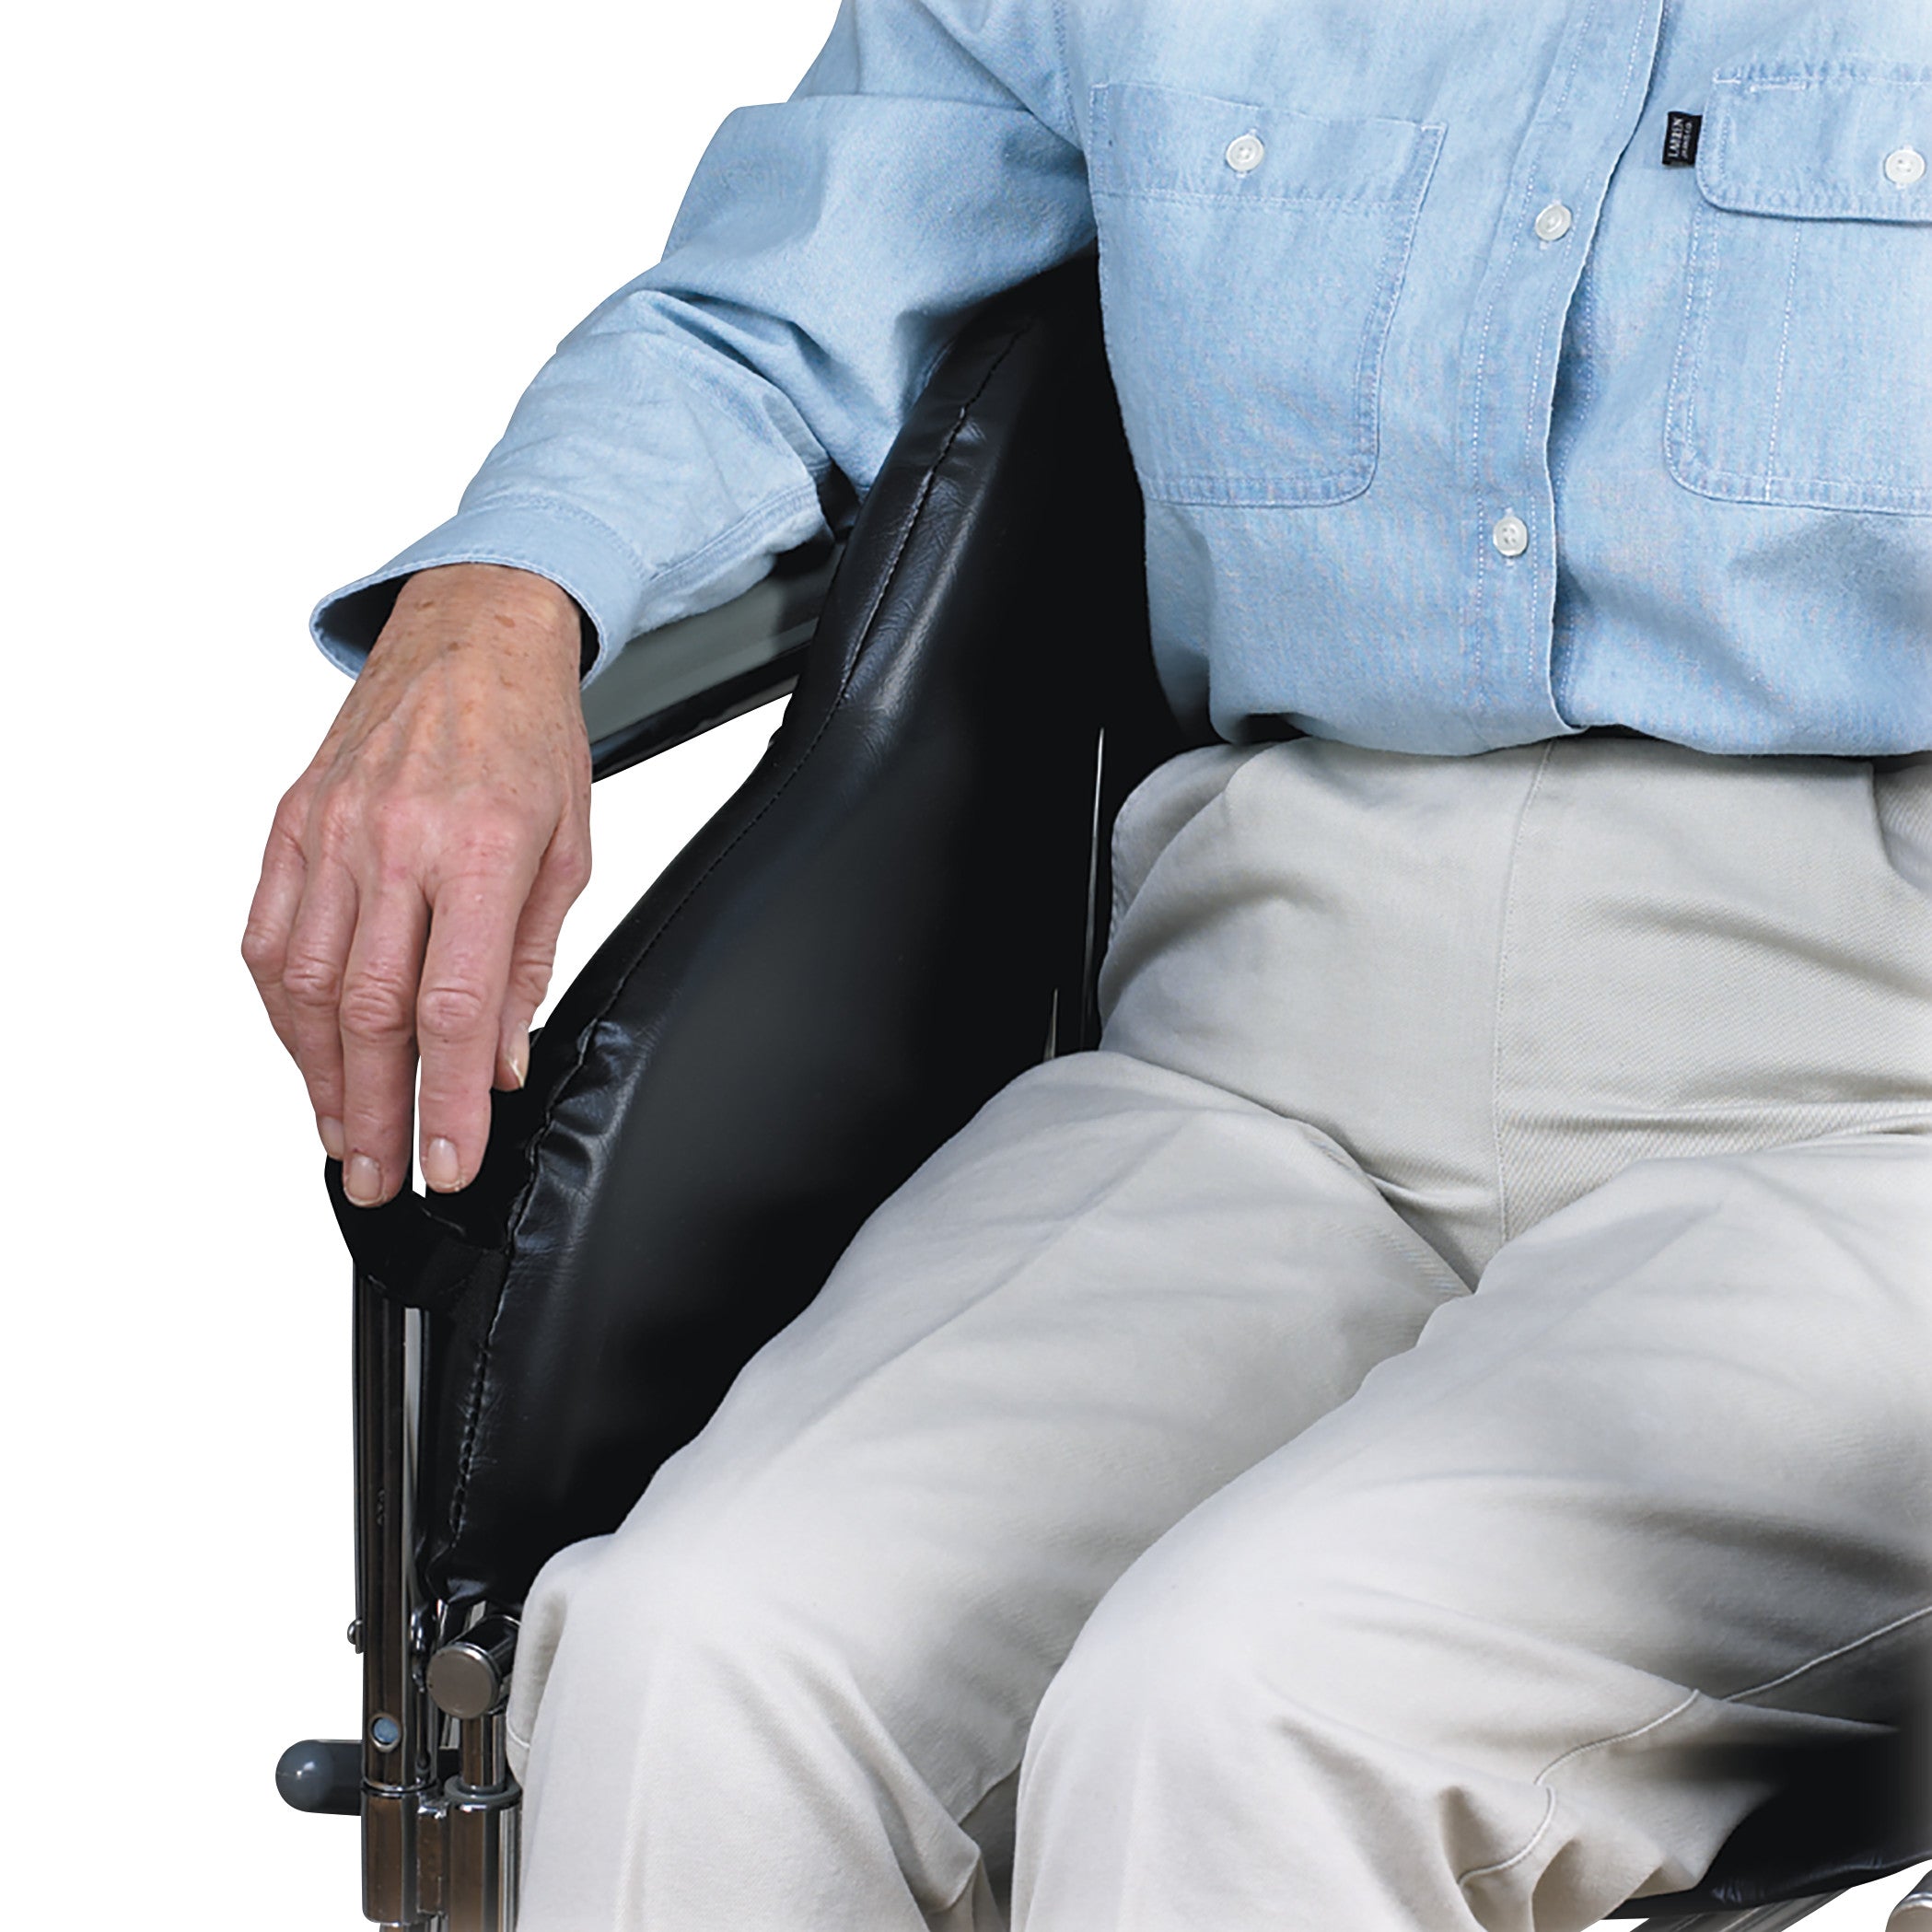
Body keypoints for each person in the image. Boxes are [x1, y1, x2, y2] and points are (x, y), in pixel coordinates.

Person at [243, 2, 1932, 1926]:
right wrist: (489, 619)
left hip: (1870, 1114)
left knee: (1247, 1704)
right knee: (704, 1654)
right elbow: (766, 319)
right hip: (1269, 1045)